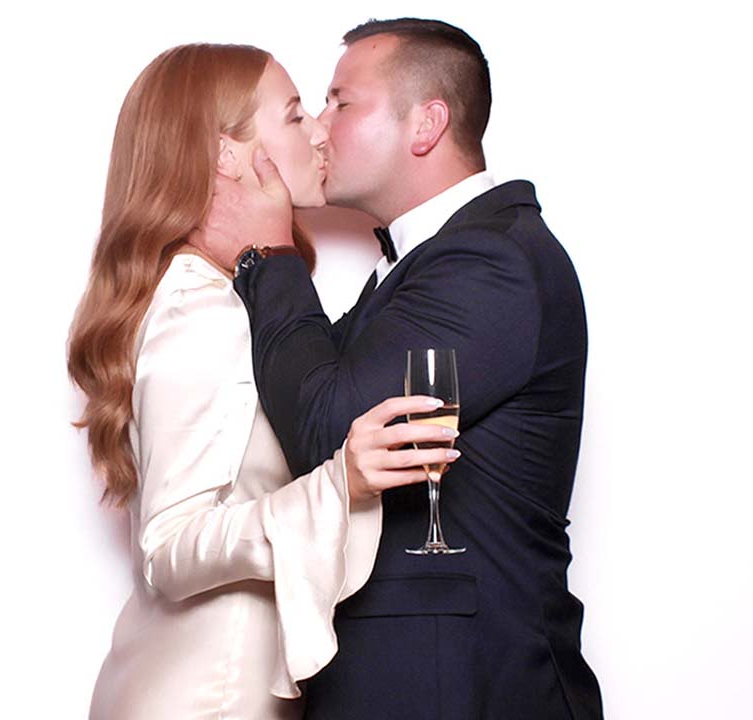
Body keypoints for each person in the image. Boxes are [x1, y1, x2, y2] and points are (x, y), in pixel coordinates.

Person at [214, 18, 606, 720]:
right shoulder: (426, 263)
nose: (319, 130)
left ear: (426, 123)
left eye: (341, 102)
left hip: (467, 690)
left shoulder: (492, 264)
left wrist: (269, 251)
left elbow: (327, 427)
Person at [66, 43, 461, 720]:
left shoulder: (223, 295)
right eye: (294, 112)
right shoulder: (201, 308)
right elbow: (170, 546)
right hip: (211, 699)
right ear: (228, 154)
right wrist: (341, 485)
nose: (317, 132)